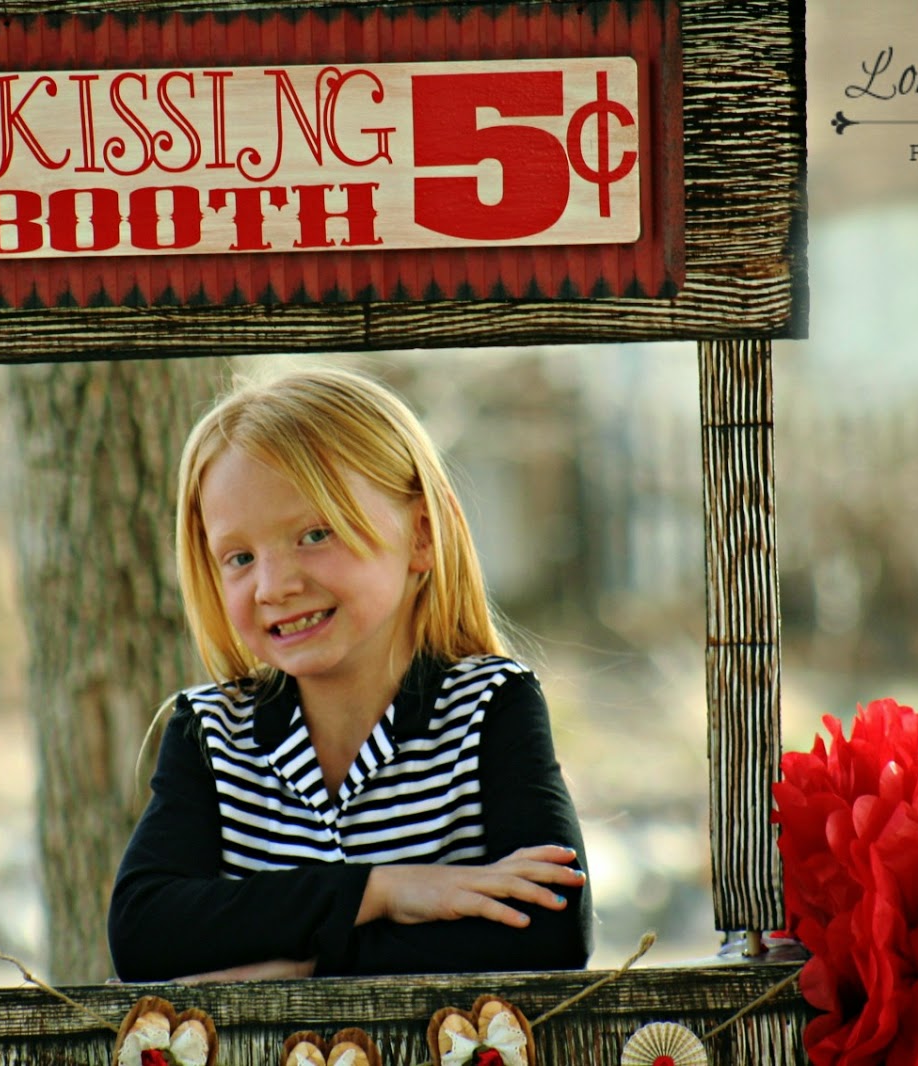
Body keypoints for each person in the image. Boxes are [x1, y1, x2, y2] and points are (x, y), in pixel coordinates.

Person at [107, 365, 591, 982]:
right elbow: (143, 932)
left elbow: (550, 930)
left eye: (315, 534)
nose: (273, 586)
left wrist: (299, 964)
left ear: (421, 536)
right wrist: (382, 892)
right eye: (240, 556)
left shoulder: (489, 706)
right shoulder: (210, 733)